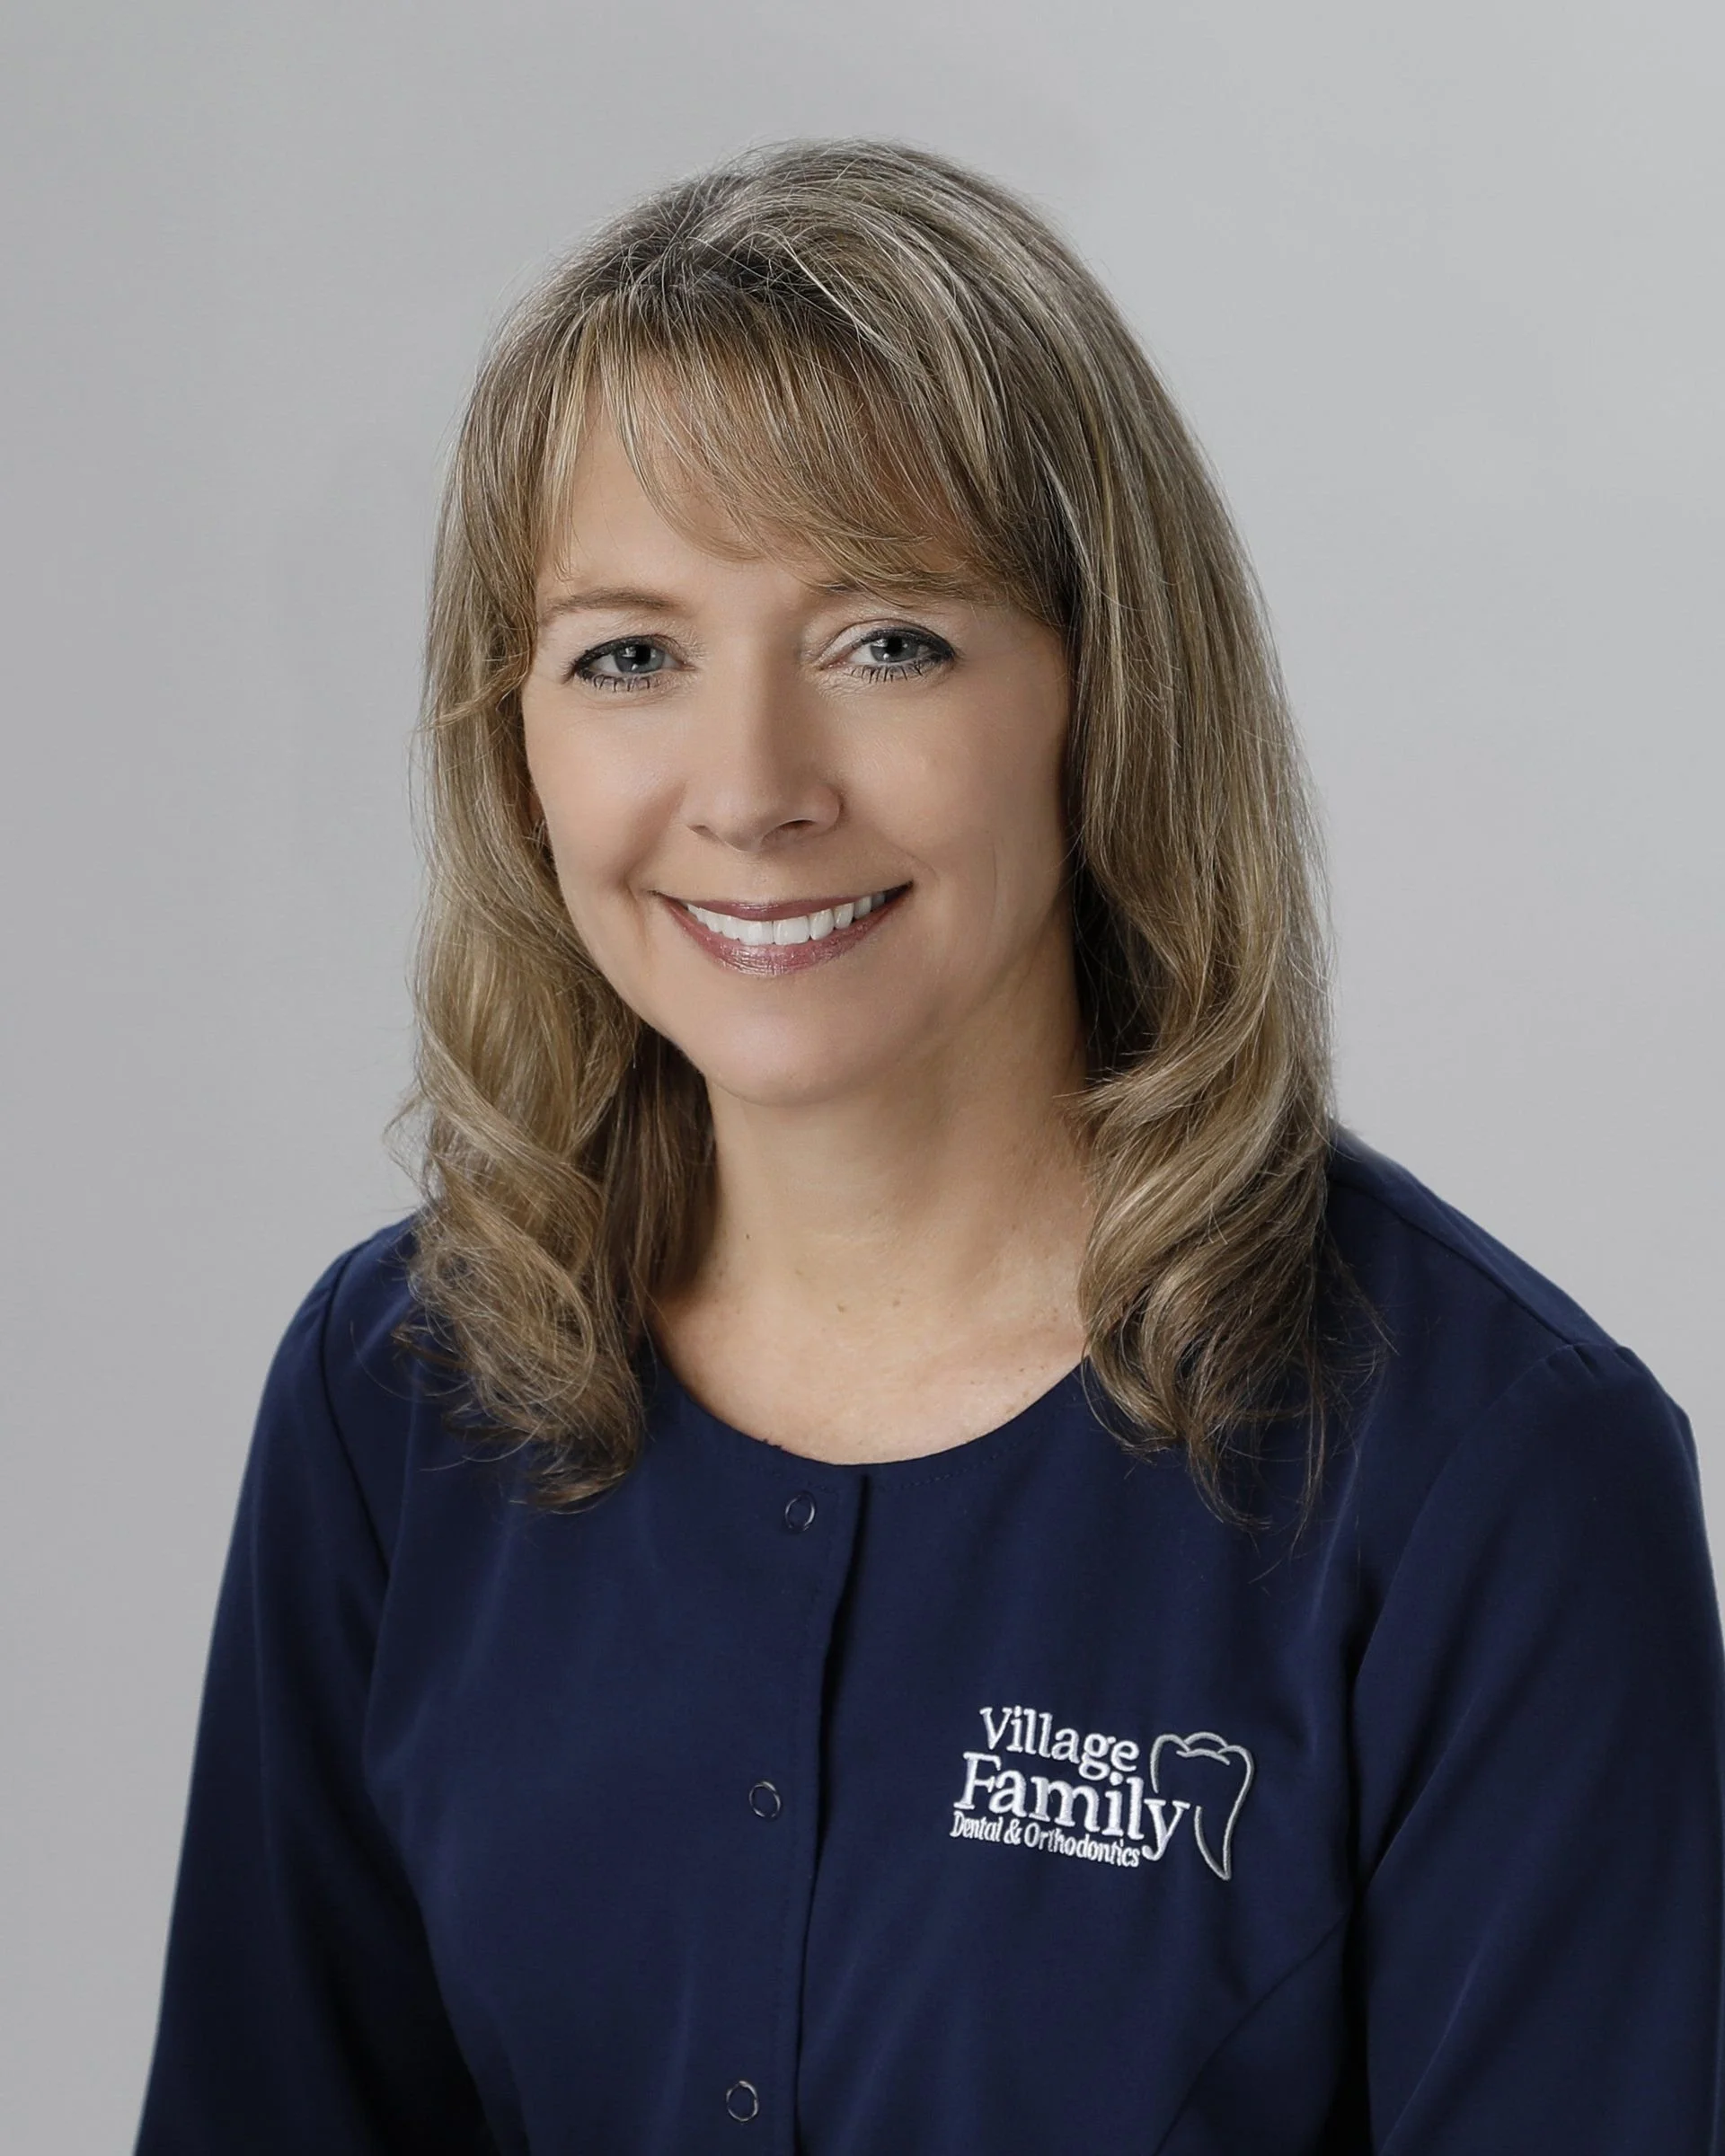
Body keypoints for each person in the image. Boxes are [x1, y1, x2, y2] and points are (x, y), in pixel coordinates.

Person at [132, 138, 1725, 2154]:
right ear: (513, 741)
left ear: (1103, 695)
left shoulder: (1491, 1478)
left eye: (887, 639)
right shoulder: (398, 1401)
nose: (753, 789)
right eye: (631, 653)